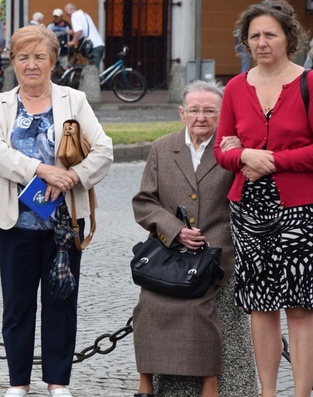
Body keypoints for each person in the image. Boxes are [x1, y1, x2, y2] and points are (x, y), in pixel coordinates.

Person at [0, 25, 113, 397]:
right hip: (16, 220)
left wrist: (71, 177)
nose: (31, 65)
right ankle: (17, 382)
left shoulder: (74, 101)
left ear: (53, 61)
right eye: (23, 57)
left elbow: (103, 151)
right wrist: (40, 169)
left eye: (39, 57)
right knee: (17, 305)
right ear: (13, 62)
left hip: (63, 224)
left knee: (61, 303)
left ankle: (58, 381)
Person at [215, 0, 313, 397]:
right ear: (245, 43)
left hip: (299, 209)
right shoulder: (235, 87)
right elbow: (222, 151)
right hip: (248, 209)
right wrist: (244, 155)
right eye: (254, 36)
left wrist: (270, 161)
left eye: (270, 34)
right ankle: (268, 393)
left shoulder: (311, 83)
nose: (261, 42)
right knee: (261, 306)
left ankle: (299, 394)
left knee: (300, 307)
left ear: (288, 38)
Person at [131, 80, 235, 397]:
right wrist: (175, 230)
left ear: (221, 114)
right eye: (194, 110)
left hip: (213, 250)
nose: (201, 117)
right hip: (168, 251)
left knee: (196, 307)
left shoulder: (230, 151)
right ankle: (145, 383)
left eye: (209, 111)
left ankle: (209, 384)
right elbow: (144, 202)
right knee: (147, 305)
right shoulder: (163, 148)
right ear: (182, 113)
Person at [64, 3, 104, 67]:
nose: (65, 14)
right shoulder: (84, 14)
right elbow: (81, 30)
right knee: (92, 69)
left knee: (92, 72)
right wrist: (70, 32)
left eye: (66, 11)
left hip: (93, 46)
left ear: (71, 9)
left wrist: (73, 42)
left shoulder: (74, 15)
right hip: (98, 45)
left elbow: (79, 31)